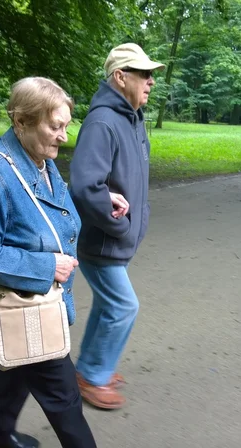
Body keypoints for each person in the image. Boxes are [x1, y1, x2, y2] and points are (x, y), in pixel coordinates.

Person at [0, 77, 97, 448]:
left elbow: (51, 211)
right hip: (27, 305)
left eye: (66, 125)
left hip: (36, 303)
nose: (64, 135)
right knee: (64, 396)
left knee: (16, 357)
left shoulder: (41, 160)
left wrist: (104, 197)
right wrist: (46, 267)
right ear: (21, 121)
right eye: (55, 125)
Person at [70, 43, 165, 410]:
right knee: (124, 306)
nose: (151, 81)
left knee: (109, 305)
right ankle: (91, 375)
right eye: (143, 74)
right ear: (120, 76)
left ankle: (93, 366)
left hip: (116, 239)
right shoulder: (103, 122)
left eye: (151, 74)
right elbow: (84, 186)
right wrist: (121, 226)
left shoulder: (132, 117)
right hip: (102, 241)